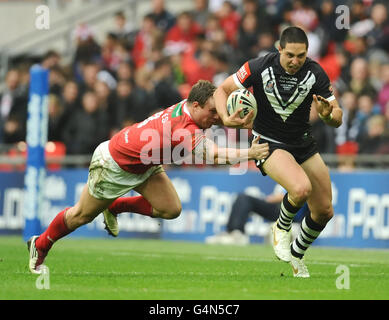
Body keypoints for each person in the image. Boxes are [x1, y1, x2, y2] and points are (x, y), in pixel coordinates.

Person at [27, 80, 269, 274]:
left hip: (144, 164)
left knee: (171, 209)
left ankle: (114, 206)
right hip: (114, 164)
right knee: (81, 215)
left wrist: (231, 118)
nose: (216, 118)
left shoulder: (190, 106)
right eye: (212, 112)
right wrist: (250, 152)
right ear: (195, 106)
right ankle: (40, 245)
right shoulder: (184, 128)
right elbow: (214, 156)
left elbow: (213, 113)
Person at [214, 26, 343, 277]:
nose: (296, 61)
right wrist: (225, 118)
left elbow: (336, 114)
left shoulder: (315, 72)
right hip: (268, 142)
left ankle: (296, 255)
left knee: (325, 211)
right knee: (300, 189)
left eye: (301, 56)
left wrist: (329, 116)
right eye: (290, 55)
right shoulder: (259, 66)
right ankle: (281, 228)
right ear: (279, 49)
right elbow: (222, 89)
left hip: (303, 144)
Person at [205, 185, 307, 245]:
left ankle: (236, 234)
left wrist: (270, 199)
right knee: (243, 198)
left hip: (292, 213)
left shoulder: (302, 173)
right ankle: (234, 232)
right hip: (277, 209)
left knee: (245, 199)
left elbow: (297, 194)